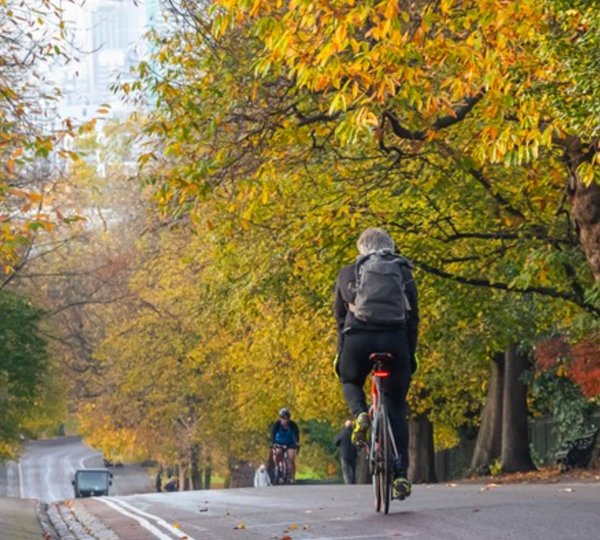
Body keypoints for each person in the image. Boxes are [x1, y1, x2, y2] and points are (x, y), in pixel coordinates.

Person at [334, 228, 419, 500]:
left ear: (361, 248)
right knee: (395, 407)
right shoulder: (402, 271)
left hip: (358, 339)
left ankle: (360, 413)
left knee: (349, 379)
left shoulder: (348, 272)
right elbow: (413, 318)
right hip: (395, 341)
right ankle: (401, 475)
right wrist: (410, 353)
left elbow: (338, 319)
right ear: (390, 247)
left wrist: (342, 352)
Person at [270, 407, 300, 483]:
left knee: (291, 458)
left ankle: (292, 477)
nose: (285, 421)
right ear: (280, 418)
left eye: (287, 419)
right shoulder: (277, 425)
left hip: (290, 443)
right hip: (279, 442)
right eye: (283, 419)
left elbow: (296, 434)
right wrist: (273, 443)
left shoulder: (293, 425)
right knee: (278, 453)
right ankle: (277, 467)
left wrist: (297, 442)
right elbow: (272, 434)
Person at [335, 420, 358, 485]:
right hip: (353, 454)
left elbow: (336, 442)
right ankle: (353, 481)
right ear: (351, 426)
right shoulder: (354, 433)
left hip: (344, 454)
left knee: (345, 469)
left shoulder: (342, 433)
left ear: (346, 426)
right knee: (352, 469)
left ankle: (348, 482)